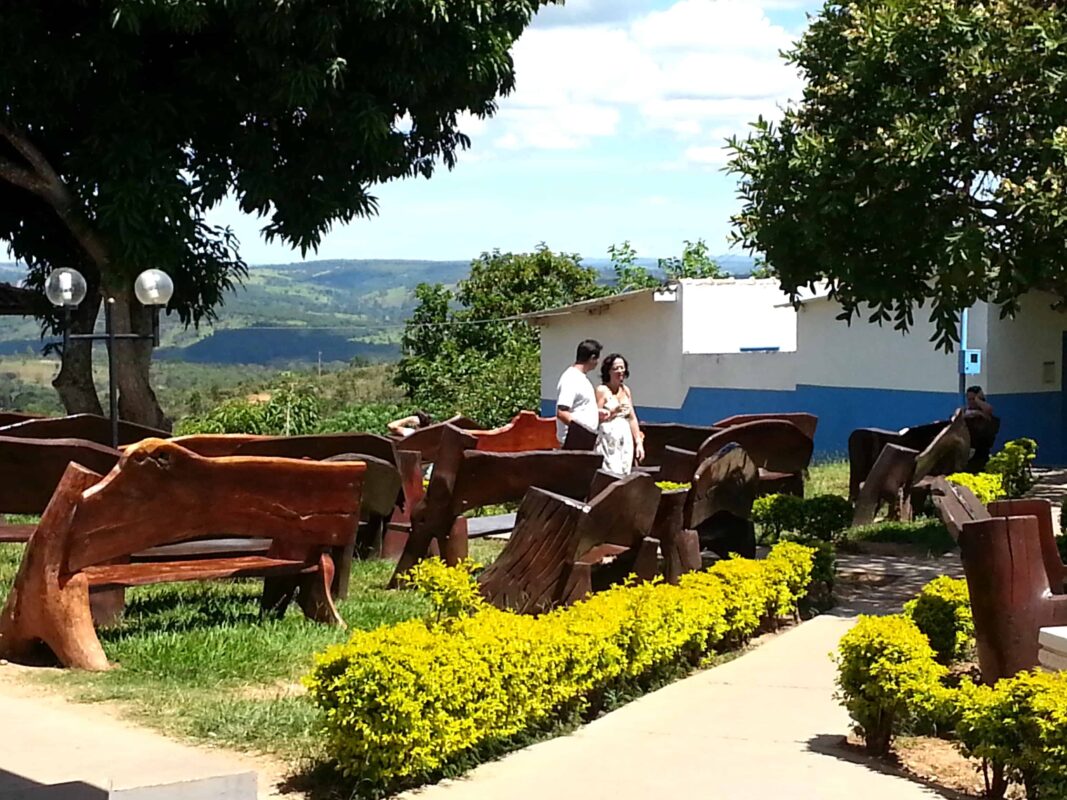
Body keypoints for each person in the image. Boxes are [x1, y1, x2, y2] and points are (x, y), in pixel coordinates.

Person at [595, 353, 644, 475]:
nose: (620, 371)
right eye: (616, 368)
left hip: (624, 439)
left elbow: (632, 418)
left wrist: (638, 442)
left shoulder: (626, 390)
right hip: (608, 440)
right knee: (610, 472)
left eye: (622, 367)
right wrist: (612, 412)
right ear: (608, 371)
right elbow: (595, 418)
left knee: (624, 471)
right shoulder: (602, 390)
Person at [555, 339, 609, 446]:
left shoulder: (582, 378)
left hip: (584, 441)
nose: (598, 362)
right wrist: (583, 431)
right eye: (597, 359)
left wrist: (595, 413)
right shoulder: (571, 378)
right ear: (592, 358)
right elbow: (562, 412)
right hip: (574, 442)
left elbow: (579, 408)